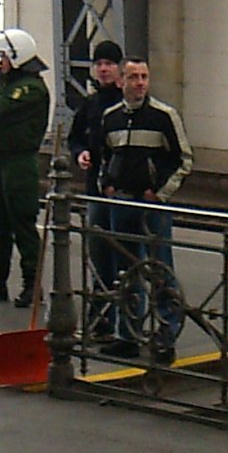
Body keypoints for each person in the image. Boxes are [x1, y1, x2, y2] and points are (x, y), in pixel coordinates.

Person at [92, 57, 193, 359]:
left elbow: (184, 159)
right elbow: (103, 157)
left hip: (152, 207)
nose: (140, 83)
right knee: (125, 272)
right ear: (121, 81)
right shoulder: (111, 118)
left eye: (144, 77)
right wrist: (106, 187)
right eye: (133, 77)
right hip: (120, 202)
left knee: (160, 271)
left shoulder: (164, 116)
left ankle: (166, 336)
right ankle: (128, 334)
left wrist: (160, 193)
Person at [0, 28, 50, 308]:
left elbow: (2, 108)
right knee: (0, 224)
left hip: (20, 163)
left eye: (4, 55)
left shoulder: (31, 88)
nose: (0, 61)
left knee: (23, 224)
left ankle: (32, 285)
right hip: (3, 163)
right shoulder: (12, 85)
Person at [69, 40, 124, 303]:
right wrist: (80, 153)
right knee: (98, 252)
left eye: (109, 64)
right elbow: (75, 137)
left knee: (123, 254)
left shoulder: (126, 103)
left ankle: (121, 310)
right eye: (99, 64)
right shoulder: (90, 104)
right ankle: (101, 309)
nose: (103, 69)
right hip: (95, 188)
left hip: (122, 189)